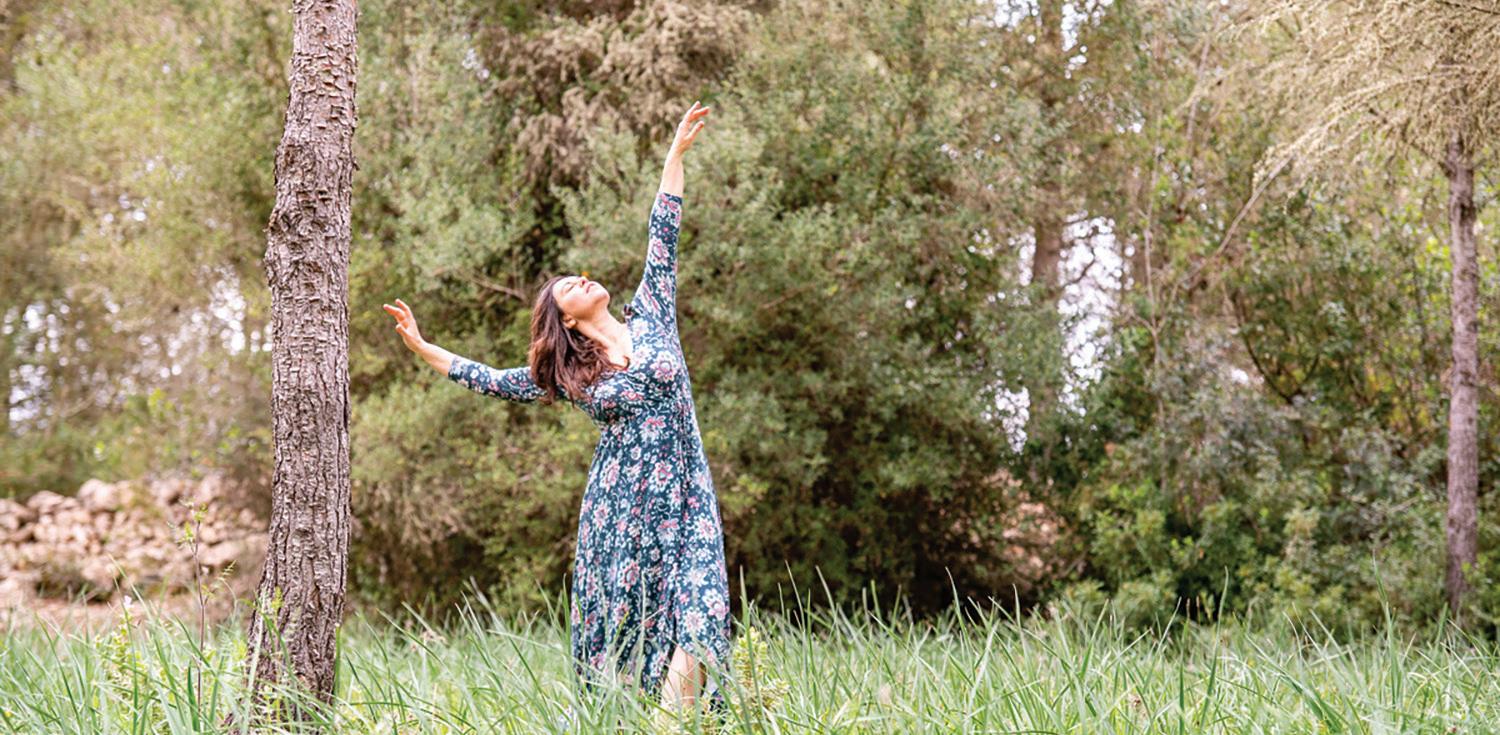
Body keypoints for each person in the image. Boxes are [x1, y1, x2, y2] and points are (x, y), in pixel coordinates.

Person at [383, 102, 729, 725]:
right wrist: (425, 347)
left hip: (687, 498)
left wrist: (674, 155)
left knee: (703, 618)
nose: (582, 279)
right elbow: (494, 380)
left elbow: (664, 230)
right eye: (569, 285)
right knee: (640, 631)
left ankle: (671, 725)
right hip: (622, 510)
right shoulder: (572, 376)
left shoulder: (653, 314)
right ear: (566, 319)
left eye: (580, 276)